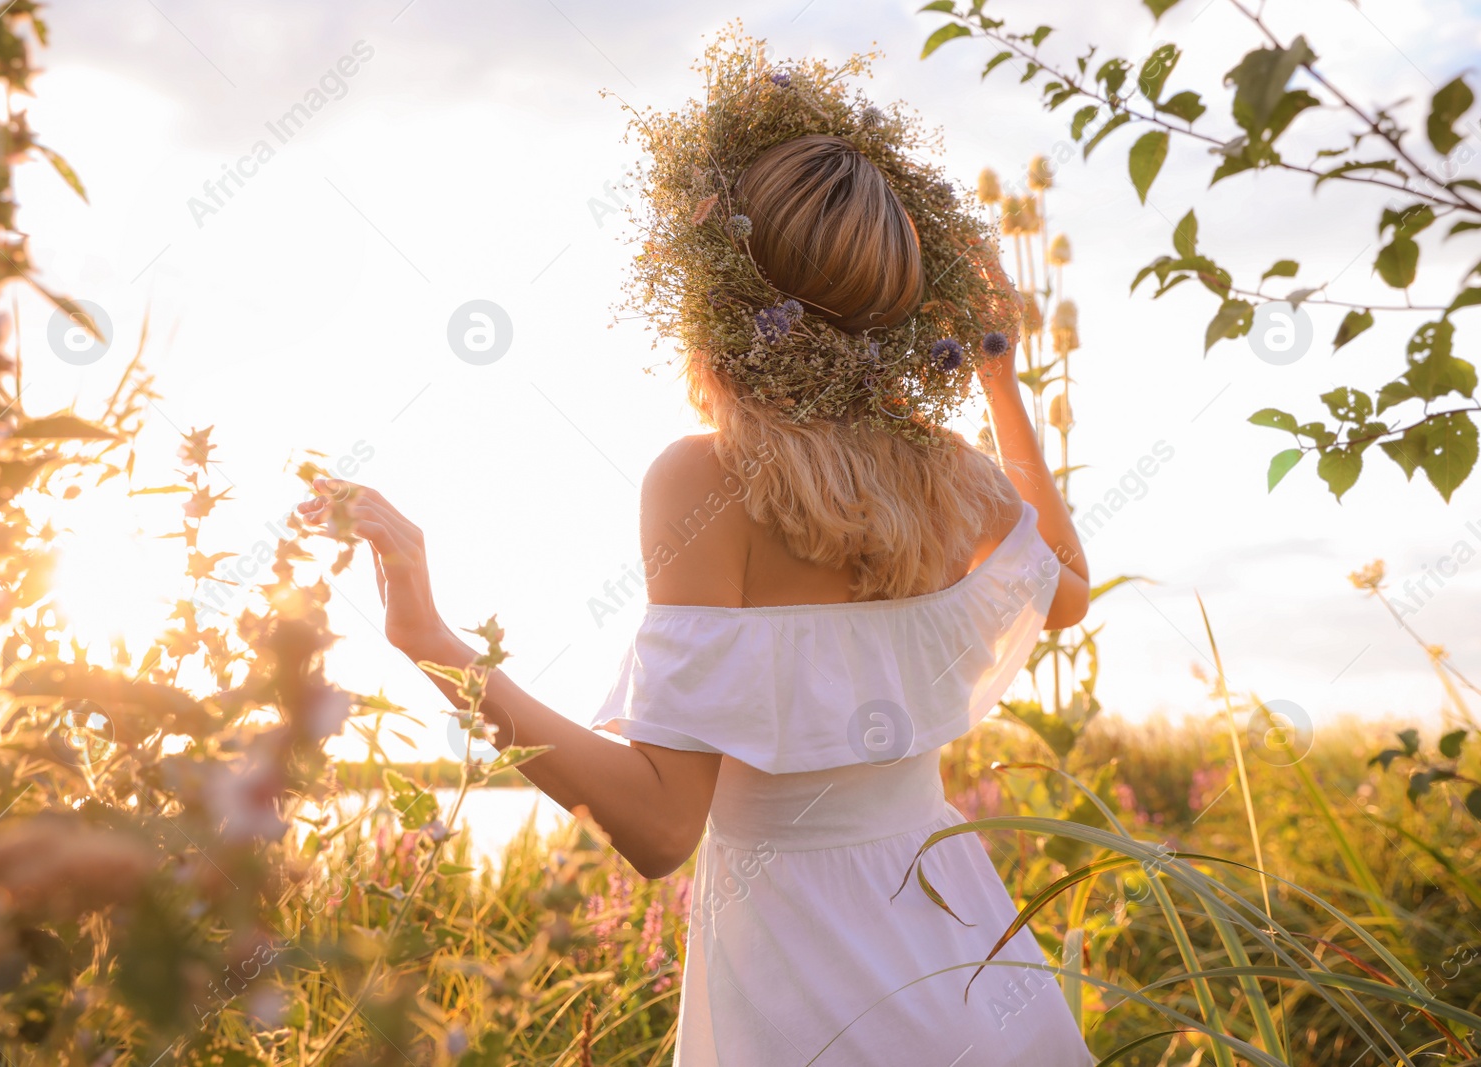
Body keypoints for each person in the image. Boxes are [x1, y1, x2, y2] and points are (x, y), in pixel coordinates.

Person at [300, 44, 1095, 1067]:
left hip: (807, 986)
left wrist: (427, 637)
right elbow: (1064, 593)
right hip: (973, 964)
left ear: (717, 291)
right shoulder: (950, 475)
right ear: (900, 297)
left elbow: (661, 825)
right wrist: (999, 382)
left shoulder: (703, 483)